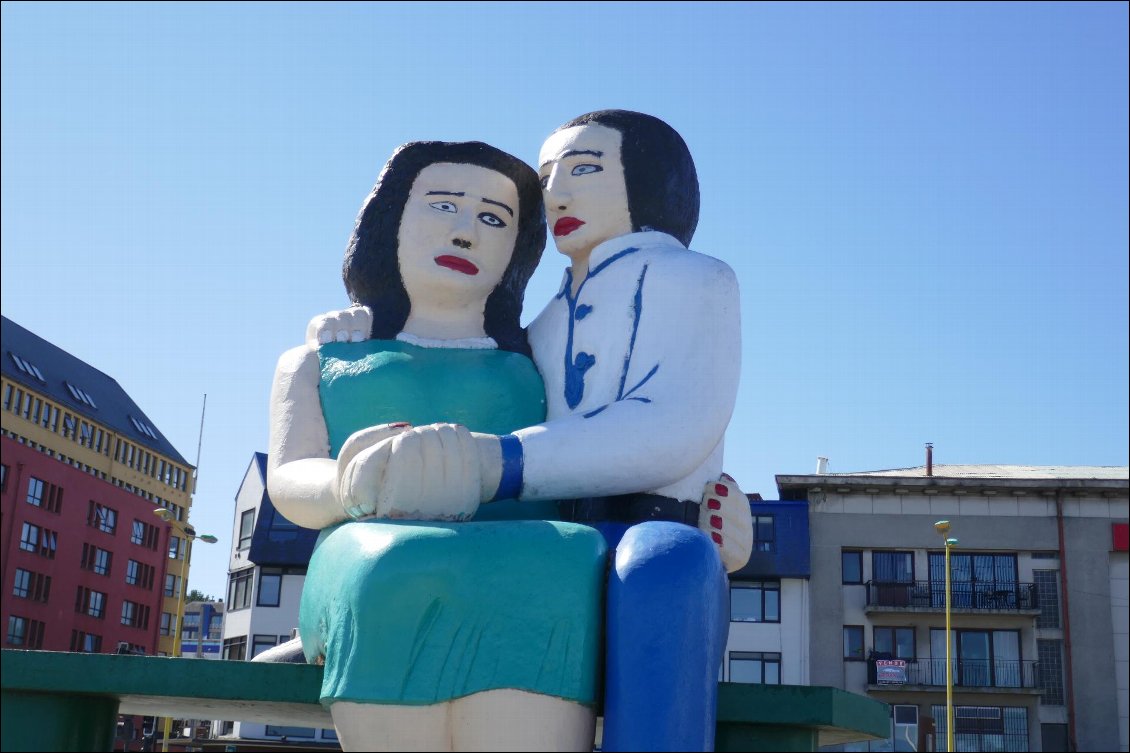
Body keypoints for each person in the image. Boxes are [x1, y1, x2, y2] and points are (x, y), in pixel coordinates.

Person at [308, 111, 747, 751]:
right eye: (548, 176)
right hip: (550, 531)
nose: (558, 193)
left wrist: (496, 464)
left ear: (650, 179)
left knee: (663, 570)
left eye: (586, 169)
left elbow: (673, 422)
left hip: (648, 524)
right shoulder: (539, 326)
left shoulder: (696, 279)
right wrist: (360, 328)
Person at [267, 140, 607, 752]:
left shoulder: (545, 362)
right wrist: (349, 484)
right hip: (370, 554)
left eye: (492, 219)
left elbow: (605, 451)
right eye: (443, 206)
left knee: (563, 562)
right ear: (390, 219)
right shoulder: (322, 359)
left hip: (532, 561)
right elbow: (290, 479)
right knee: (389, 563)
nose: (465, 234)